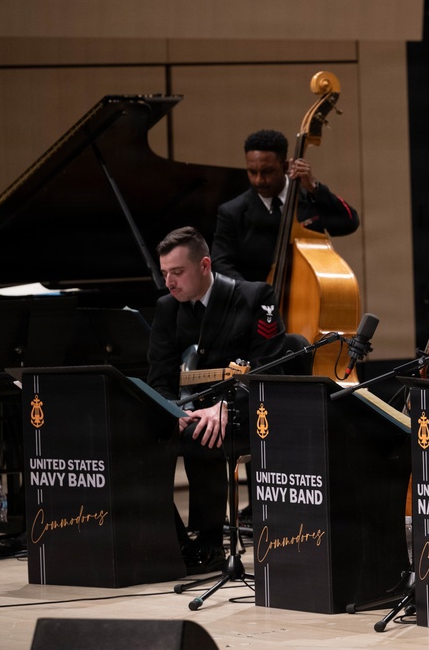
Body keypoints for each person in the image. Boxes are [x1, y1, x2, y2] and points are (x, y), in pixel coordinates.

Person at [147, 226, 285, 573]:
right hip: (190, 412)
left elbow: (269, 370)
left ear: (205, 265)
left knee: (202, 436)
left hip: (246, 413)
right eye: (165, 273)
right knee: (137, 440)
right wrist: (171, 411)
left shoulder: (255, 297)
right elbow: (159, 377)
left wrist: (227, 406)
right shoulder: (167, 308)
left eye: (177, 272)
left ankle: (209, 543)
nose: (169, 282)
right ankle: (173, 543)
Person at [211, 129, 360, 282]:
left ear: (285, 166)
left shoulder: (310, 198)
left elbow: (348, 224)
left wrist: (315, 189)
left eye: (267, 171)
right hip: (255, 301)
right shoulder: (232, 212)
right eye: (252, 172)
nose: (258, 180)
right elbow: (220, 263)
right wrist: (252, 294)